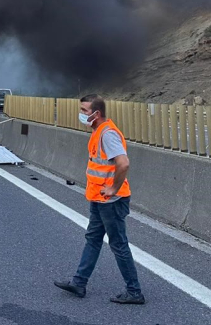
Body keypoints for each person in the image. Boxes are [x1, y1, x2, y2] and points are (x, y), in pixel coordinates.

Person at [55, 95, 144, 304]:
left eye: (84, 111)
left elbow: (123, 163)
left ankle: (134, 292)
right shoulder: (98, 131)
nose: (81, 114)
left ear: (97, 113)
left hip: (111, 201)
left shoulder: (107, 134)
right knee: (93, 238)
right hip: (99, 198)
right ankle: (79, 282)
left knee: (118, 244)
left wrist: (113, 188)